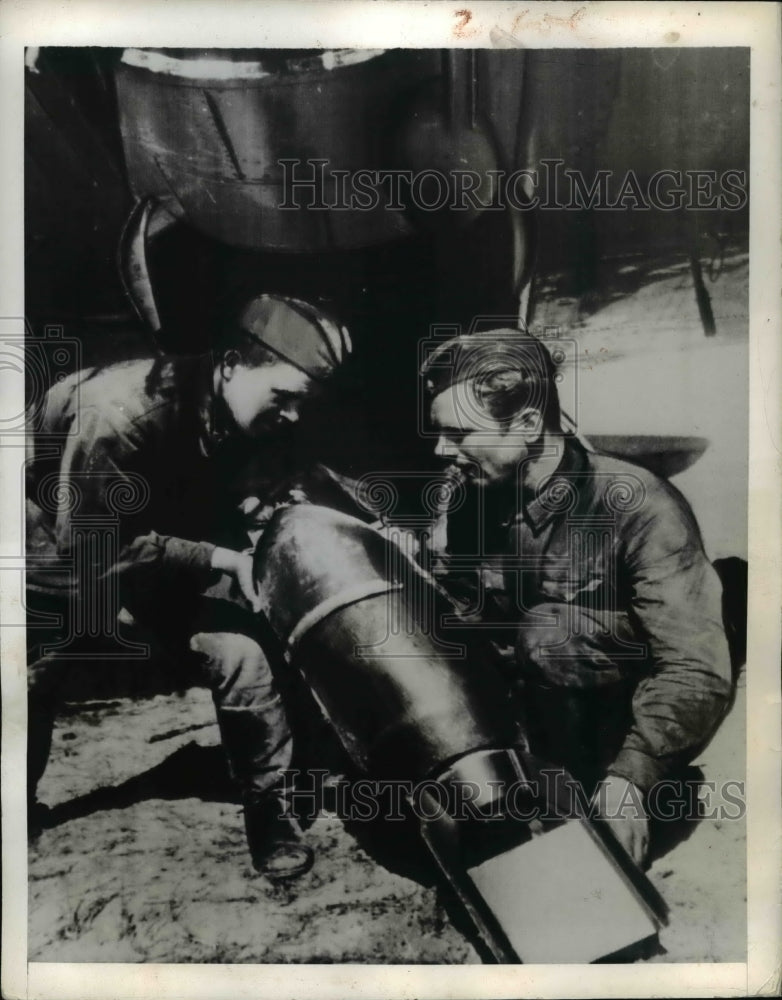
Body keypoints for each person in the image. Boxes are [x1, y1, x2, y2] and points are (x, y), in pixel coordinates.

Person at [26, 293, 351, 880]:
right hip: (59, 537)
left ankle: (268, 805)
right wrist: (222, 557)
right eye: (284, 398)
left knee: (244, 653)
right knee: (32, 673)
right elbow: (91, 548)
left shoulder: (246, 404)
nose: (295, 416)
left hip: (154, 527)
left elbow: (231, 483)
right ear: (230, 364)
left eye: (306, 403)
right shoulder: (119, 412)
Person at [420, 328, 733, 867]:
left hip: (623, 719)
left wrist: (632, 777)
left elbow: (696, 668)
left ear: (524, 425)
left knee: (550, 633)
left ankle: (594, 798)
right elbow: (465, 619)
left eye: (458, 433)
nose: (441, 449)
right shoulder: (471, 495)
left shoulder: (638, 505)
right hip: (532, 707)